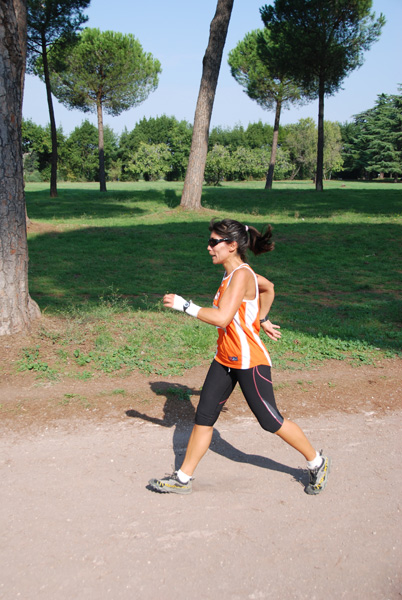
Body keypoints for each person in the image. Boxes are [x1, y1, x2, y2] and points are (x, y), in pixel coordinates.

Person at [148, 218, 330, 496]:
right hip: (225, 359)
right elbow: (268, 287)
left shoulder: (242, 275)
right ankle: (183, 479)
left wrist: (185, 305)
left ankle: (317, 463)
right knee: (204, 418)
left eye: (213, 242)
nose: (208, 248)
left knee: (270, 421)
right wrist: (261, 317)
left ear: (232, 246)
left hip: (249, 361)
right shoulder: (233, 273)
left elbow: (222, 317)